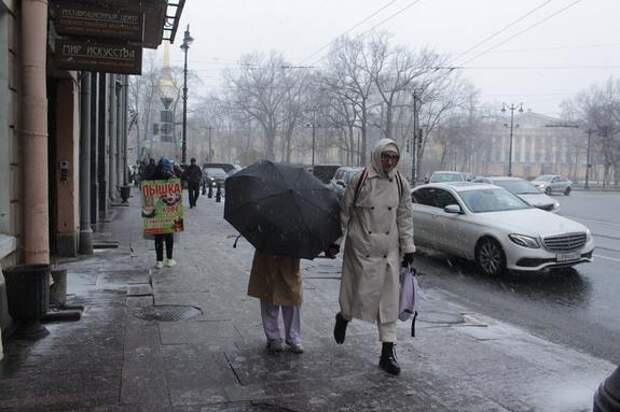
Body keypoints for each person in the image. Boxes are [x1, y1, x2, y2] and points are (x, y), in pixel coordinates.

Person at [326, 138, 415, 375]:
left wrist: (408, 248)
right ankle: (344, 317)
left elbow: (404, 217)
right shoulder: (360, 179)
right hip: (361, 249)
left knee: (388, 303)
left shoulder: (400, 183)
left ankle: (388, 352)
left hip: (388, 252)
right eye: (385, 156)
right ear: (377, 155)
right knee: (355, 294)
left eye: (393, 158)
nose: (389, 162)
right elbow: (345, 213)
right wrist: (336, 241)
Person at [247, 251, 304, 354]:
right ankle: (273, 337)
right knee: (268, 292)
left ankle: (293, 337)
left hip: (291, 252)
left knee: (292, 295)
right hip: (267, 249)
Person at [152, 157, 178, 269]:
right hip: (169, 211)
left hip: (156, 211)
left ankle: (159, 261)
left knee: (158, 236)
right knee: (169, 236)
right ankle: (169, 259)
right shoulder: (171, 176)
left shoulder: (153, 176)